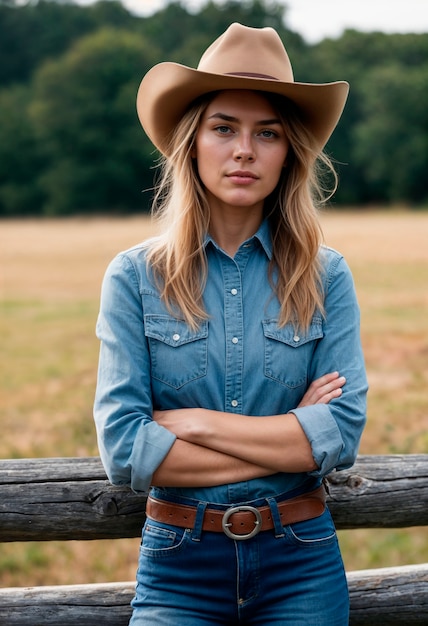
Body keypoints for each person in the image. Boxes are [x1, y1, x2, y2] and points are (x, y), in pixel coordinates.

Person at [94, 23, 368, 625]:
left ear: (287, 150)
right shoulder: (135, 278)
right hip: (177, 567)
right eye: (224, 128)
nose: (244, 149)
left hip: (302, 561)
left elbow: (341, 433)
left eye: (266, 133)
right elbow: (126, 448)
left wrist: (193, 423)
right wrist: (292, 439)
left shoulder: (326, 276)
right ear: (191, 143)